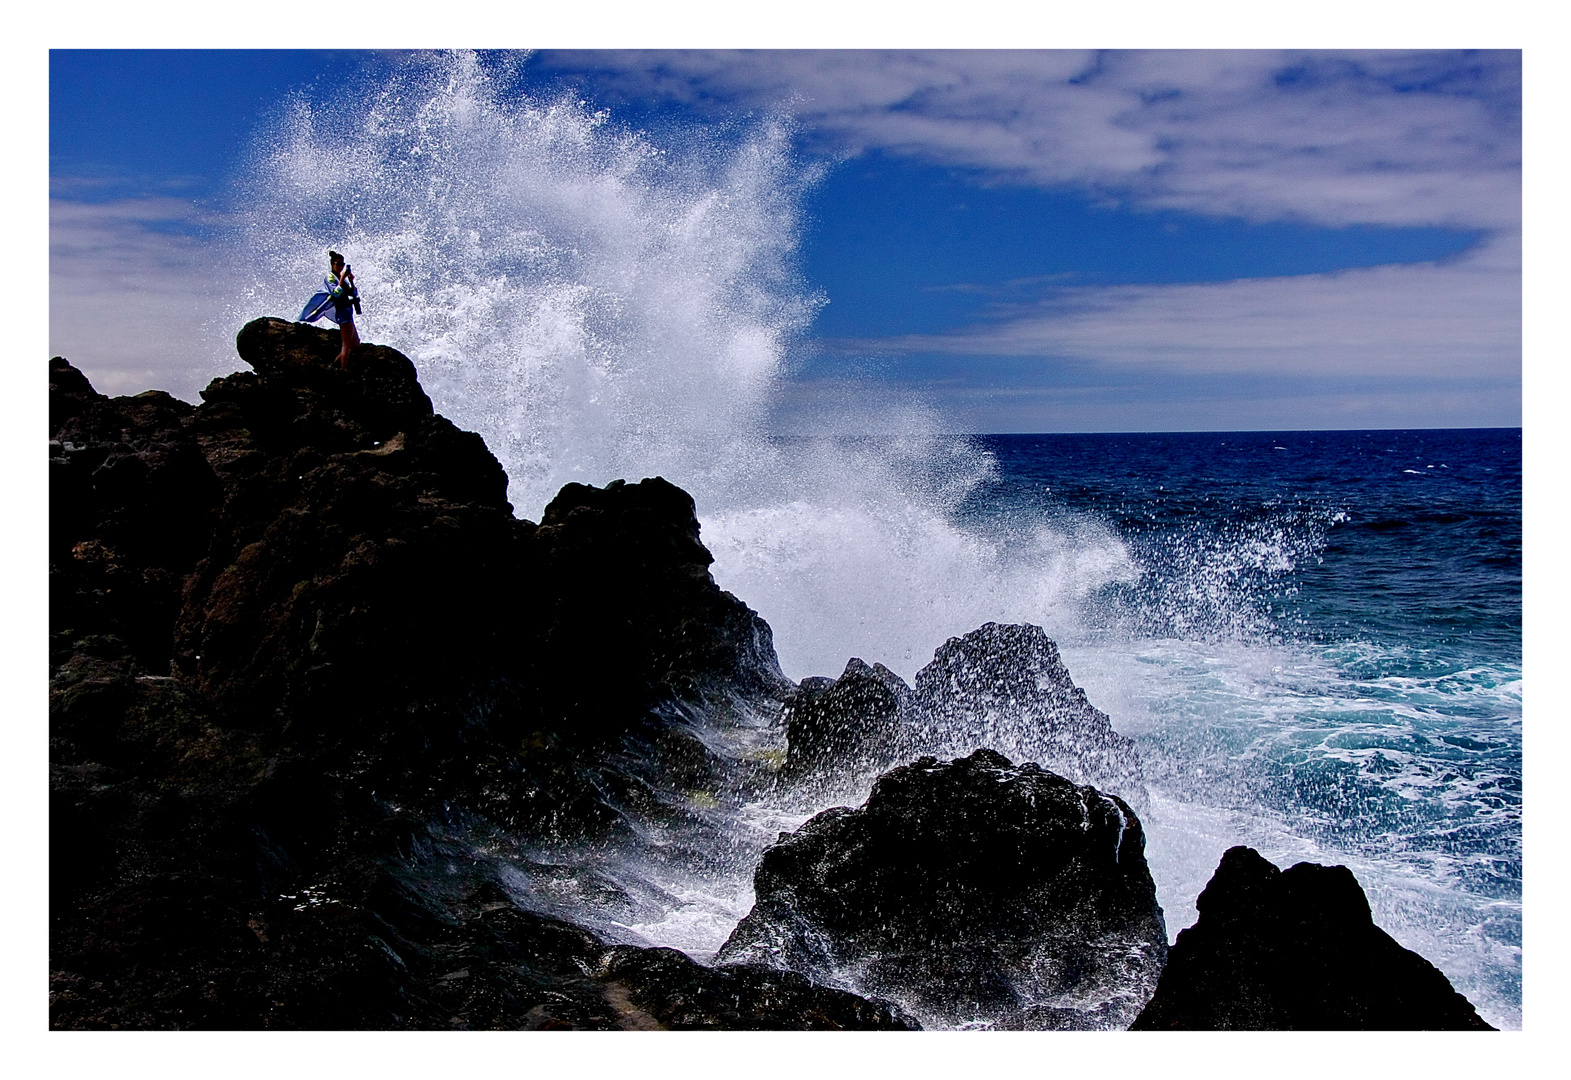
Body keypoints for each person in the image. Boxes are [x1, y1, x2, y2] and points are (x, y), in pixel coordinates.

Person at [298, 249, 362, 369]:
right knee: (347, 344)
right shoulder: (330, 277)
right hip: (342, 311)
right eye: (338, 264)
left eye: (342, 264)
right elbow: (335, 292)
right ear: (332, 264)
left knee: (355, 343)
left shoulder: (340, 277)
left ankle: (333, 366)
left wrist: (351, 281)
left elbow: (353, 292)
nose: (340, 266)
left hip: (348, 310)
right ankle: (344, 369)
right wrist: (342, 279)